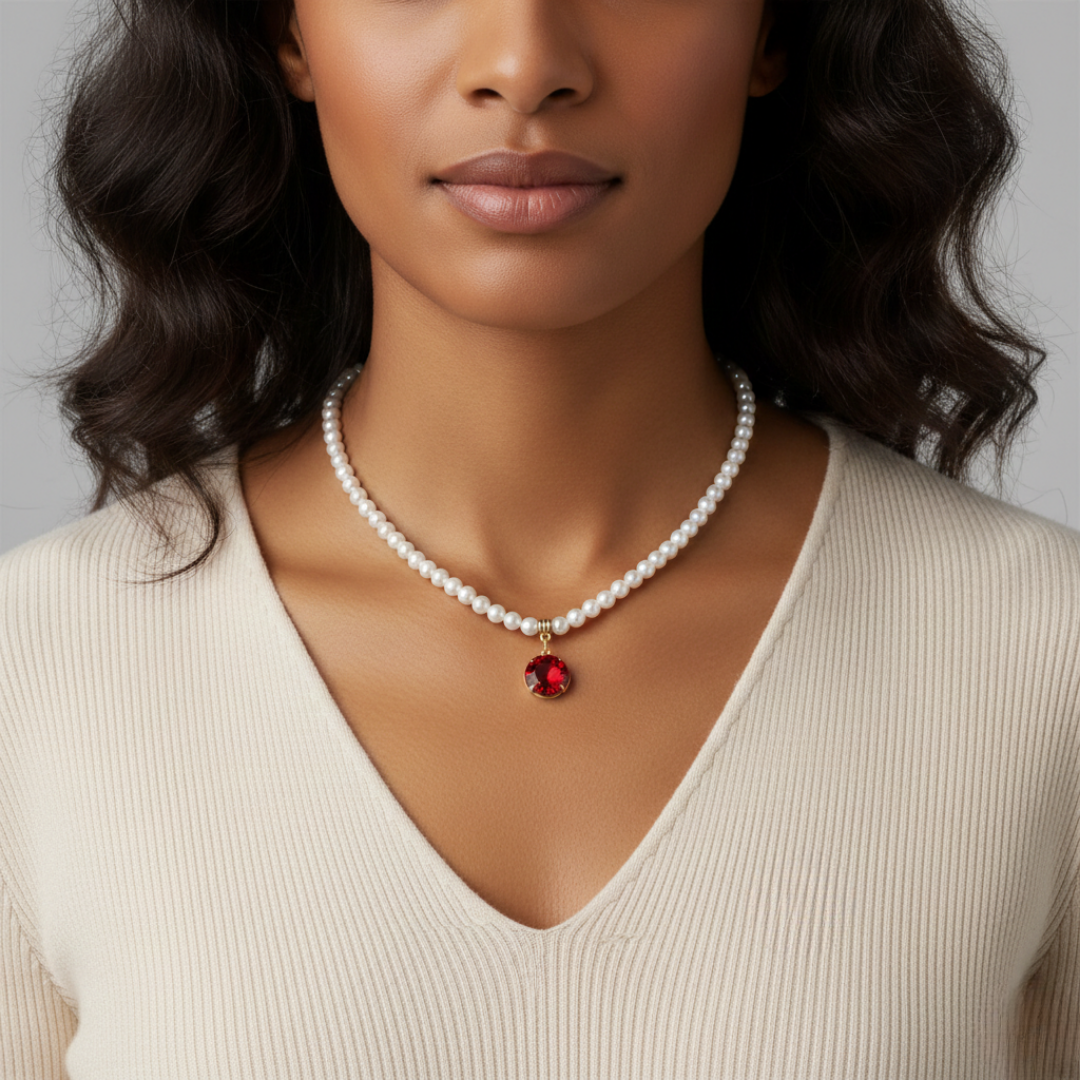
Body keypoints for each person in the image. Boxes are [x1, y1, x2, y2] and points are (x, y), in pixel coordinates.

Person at [1, 0, 1076, 1075]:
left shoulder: (1043, 652)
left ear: (772, 33)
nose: (524, 66)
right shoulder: (37, 665)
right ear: (286, 35)